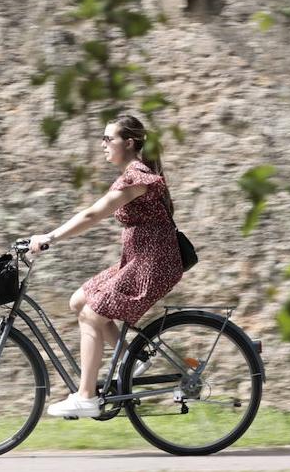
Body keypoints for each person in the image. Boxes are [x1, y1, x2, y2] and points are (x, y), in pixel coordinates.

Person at [28, 114, 184, 418]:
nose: (102, 144)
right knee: (79, 301)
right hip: (138, 260)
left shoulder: (137, 176)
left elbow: (93, 214)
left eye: (108, 138)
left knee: (91, 315)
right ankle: (131, 360)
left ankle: (86, 396)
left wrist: (50, 237)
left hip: (153, 264)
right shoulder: (131, 174)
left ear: (128, 142)